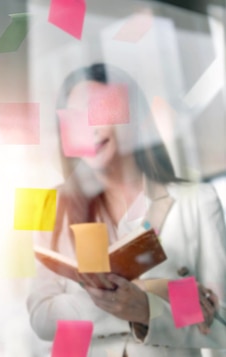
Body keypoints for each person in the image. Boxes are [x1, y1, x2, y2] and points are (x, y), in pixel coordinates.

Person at [27, 63, 226, 356]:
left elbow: (219, 325)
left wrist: (144, 310)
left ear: (135, 117)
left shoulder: (197, 201)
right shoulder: (51, 207)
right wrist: (154, 295)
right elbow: (42, 319)